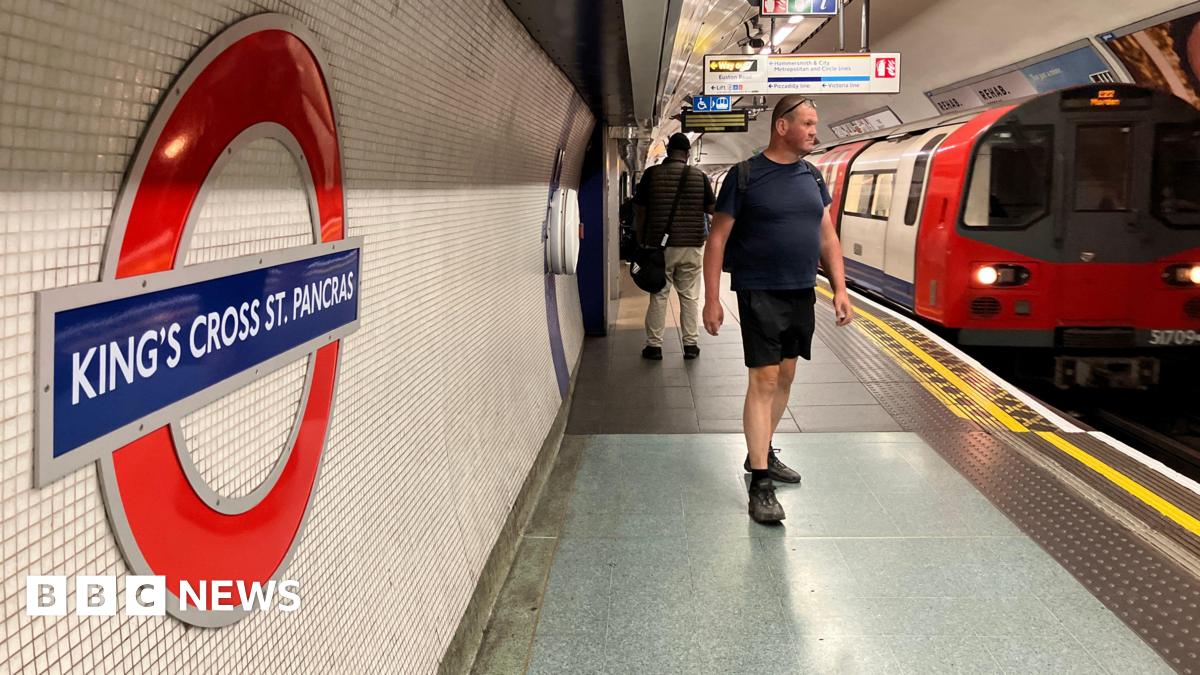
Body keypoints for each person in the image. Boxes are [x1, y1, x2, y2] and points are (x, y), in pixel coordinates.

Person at [702, 95, 855, 524]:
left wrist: (840, 288)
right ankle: (761, 484)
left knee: (786, 375)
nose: (813, 131)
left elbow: (827, 237)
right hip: (758, 290)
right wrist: (712, 299)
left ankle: (761, 452)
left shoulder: (812, 176)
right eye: (807, 123)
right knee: (764, 378)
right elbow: (717, 241)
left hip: (801, 290)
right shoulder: (745, 176)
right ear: (781, 126)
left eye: (815, 123)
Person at [635, 132, 715, 360]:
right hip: (692, 246)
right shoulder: (699, 177)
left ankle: (654, 346)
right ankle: (690, 345)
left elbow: (640, 211)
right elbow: (712, 209)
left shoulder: (651, 175)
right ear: (687, 155)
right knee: (689, 297)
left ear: (668, 152)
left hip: (660, 247)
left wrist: (642, 240)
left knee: (659, 294)